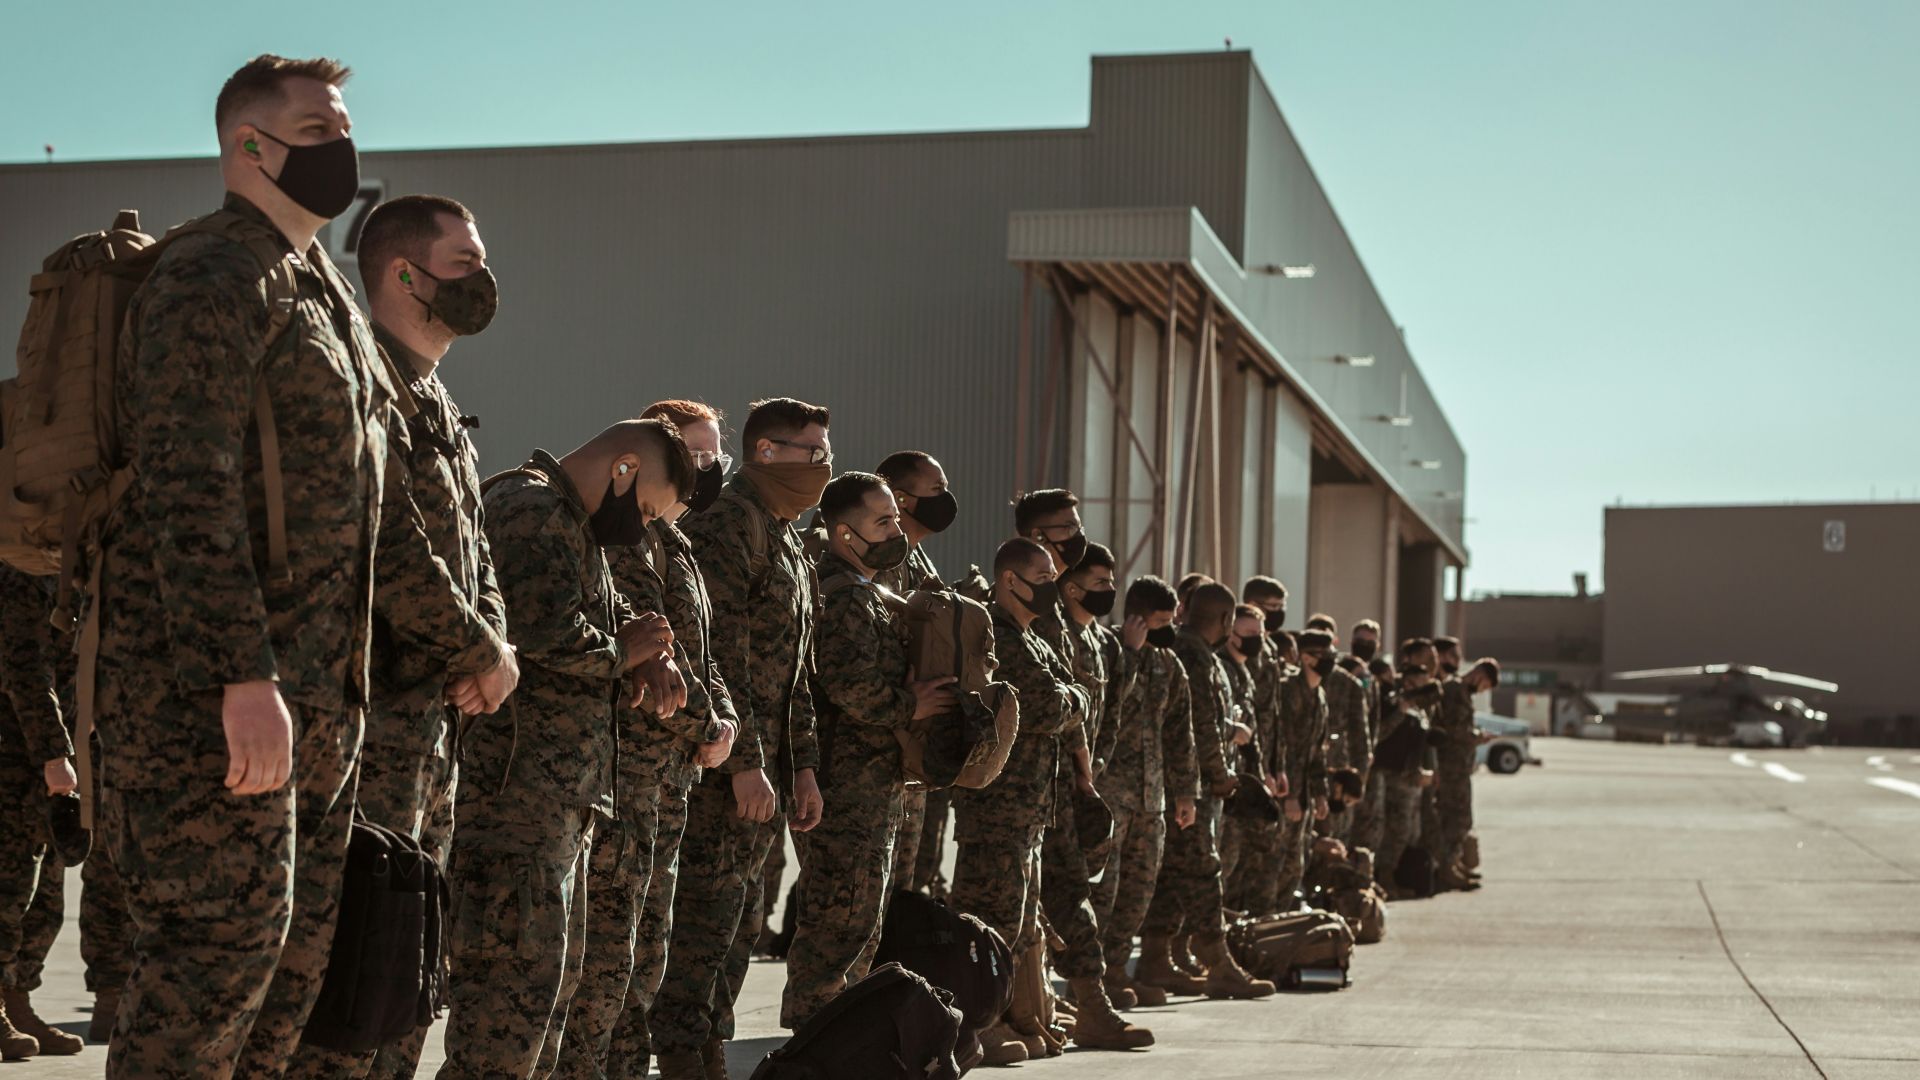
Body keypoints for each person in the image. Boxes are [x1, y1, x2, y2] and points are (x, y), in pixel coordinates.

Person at [95, 54, 514, 1078]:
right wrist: (241, 676)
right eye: (317, 130)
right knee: (208, 979)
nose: (342, 147)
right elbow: (182, 487)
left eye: (342, 127)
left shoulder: (320, 291)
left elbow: (380, 516)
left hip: (326, 713)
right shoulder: (210, 275)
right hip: (215, 713)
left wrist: (477, 638)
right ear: (249, 146)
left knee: (291, 984)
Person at [284, 191, 523, 1080]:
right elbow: (390, 545)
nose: (484, 279)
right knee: (355, 970)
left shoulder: (435, 395)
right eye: (463, 262)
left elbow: (473, 554)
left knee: (410, 964)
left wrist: (495, 644)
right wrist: (479, 650)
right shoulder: (364, 380)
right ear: (401, 273)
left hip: (435, 727)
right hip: (369, 723)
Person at [439, 419, 694, 1077]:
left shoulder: (572, 526)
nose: (638, 529)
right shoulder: (532, 509)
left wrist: (627, 661)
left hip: (556, 813)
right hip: (513, 811)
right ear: (623, 467)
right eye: (643, 508)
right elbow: (541, 630)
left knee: (541, 1020)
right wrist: (622, 651)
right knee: (502, 1025)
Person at [557, 415, 739, 1078]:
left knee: (641, 961)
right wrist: (705, 727)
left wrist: (727, 726)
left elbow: (696, 650)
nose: (707, 466)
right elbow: (650, 659)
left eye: (716, 455)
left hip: (667, 785)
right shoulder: (622, 536)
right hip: (623, 776)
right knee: (601, 963)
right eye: (693, 453)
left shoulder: (675, 543)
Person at [654, 398, 829, 1079]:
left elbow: (794, 671)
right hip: (727, 769)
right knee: (703, 921)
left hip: (770, 772)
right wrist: (748, 766)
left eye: (824, 452)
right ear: (765, 452)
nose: (822, 466)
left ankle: (707, 1049)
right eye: (810, 452)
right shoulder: (728, 523)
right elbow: (719, 655)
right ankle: (681, 1056)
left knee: (737, 925)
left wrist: (804, 767)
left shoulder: (783, 533)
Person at [783, 474, 955, 1028]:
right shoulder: (844, 596)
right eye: (882, 522)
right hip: (845, 787)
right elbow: (846, 685)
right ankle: (813, 1045)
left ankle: (835, 1041)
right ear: (843, 533)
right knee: (839, 927)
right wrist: (911, 706)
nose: (896, 531)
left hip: (871, 784)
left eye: (895, 519)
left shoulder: (868, 592)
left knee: (859, 926)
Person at [949, 539, 1094, 1065]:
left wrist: (1069, 697)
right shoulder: (996, 633)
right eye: (1042, 574)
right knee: (987, 919)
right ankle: (973, 1027)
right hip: (996, 808)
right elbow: (1048, 705)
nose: (1051, 583)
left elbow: (1069, 695)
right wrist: (1071, 698)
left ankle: (1009, 1013)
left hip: (1027, 808)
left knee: (1018, 919)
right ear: (1010, 579)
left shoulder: (1028, 637)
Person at [1137, 583, 1274, 1000]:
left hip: (1185, 785)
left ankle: (1156, 959)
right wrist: (1219, 776)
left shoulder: (1197, 655)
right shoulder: (1196, 658)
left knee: (1174, 874)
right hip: (1191, 788)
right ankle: (1219, 963)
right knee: (1202, 871)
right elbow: (1201, 730)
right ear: (1226, 621)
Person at [1040, 543, 1153, 1049]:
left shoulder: (1101, 642)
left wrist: (1093, 771)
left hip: (1083, 789)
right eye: (1101, 583)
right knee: (1053, 899)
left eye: (1112, 582)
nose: (1110, 591)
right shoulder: (1052, 631)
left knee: (1069, 898)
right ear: (1070, 587)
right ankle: (1081, 1002)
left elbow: (1111, 711)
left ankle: (1066, 1000)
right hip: (1046, 789)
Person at [1091, 577, 1196, 1011]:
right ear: (1135, 618)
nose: (1167, 630)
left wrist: (1186, 792)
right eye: (1158, 622)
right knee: (1103, 893)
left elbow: (1180, 732)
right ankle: (1091, 981)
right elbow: (1104, 704)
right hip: (1109, 795)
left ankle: (1116, 970)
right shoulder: (1108, 651)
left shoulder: (1169, 665)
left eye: (1171, 622)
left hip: (1152, 799)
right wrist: (1131, 654)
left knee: (1138, 891)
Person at [0, 566, 79, 1060]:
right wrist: (54, 753)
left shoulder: (61, 565)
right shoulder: (16, 567)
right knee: (6, 892)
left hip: (52, 752)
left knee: (45, 898)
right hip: (15, 751)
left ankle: (15, 998)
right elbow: (24, 667)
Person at [871, 451, 954, 896]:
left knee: (897, 893)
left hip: (912, 752)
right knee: (862, 899)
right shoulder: (881, 562)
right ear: (901, 498)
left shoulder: (919, 562)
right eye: (936, 489)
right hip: (878, 750)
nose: (947, 499)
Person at [1217, 604, 1280, 914]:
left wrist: (1263, 772)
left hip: (1245, 783)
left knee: (1237, 862)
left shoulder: (1245, 671)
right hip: (1225, 782)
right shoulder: (1222, 668)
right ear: (1232, 634)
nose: (1258, 639)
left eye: (1261, 633)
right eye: (1250, 633)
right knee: (1222, 861)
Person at [1276, 629, 1334, 903]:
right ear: (1307, 658)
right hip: (1285, 794)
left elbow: (1317, 752)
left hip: (1305, 796)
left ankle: (1282, 921)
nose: (1329, 660)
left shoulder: (1320, 697)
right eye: (1323, 655)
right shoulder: (1288, 691)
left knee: (1295, 862)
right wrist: (1289, 796)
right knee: (1274, 864)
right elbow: (1283, 748)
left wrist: (1321, 793)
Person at [1302, 615, 1371, 845]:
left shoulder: (1348, 684)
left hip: (1336, 773)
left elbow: (1360, 735)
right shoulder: (1292, 679)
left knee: (1333, 834)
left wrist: (1359, 777)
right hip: (1300, 771)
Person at [1433, 658, 1500, 891]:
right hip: (1452, 767)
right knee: (1457, 818)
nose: (1481, 690)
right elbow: (1454, 730)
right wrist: (1477, 737)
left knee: (1459, 818)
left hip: (1457, 766)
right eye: (1484, 686)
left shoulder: (1459, 691)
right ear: (1479, 675)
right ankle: (1447, 866)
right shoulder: (1456, 691)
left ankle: (1452, 863)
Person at [1374, 665, 1441, 896]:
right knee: (1395, 830)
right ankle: (1385, 877)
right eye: (1418, 683)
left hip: (1412, 778)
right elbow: (1379, 735)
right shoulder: (1392, 702)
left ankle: (1395, 876)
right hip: (1392, 777)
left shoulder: (1419, 709)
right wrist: (1399, 711)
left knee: (1408, 832)